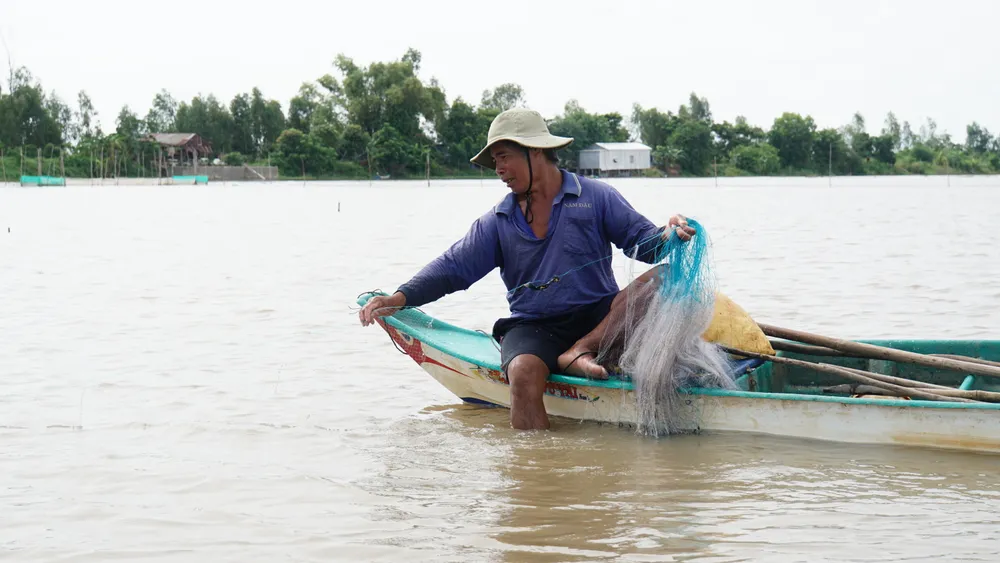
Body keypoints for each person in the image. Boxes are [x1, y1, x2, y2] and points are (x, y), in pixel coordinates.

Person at [359, 107, 695, 430]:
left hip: (602, 319)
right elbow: (453, 268)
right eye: (495, 162)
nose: (498, 169)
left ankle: (580, 351)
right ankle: (535, 471)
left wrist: (672, 234)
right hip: (535, 326)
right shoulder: (497, 220)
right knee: (521, 373)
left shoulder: (595, 197)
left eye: (504, 157)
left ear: (534, 152)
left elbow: (646, 244)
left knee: (662, 279)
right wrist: (400, 298)